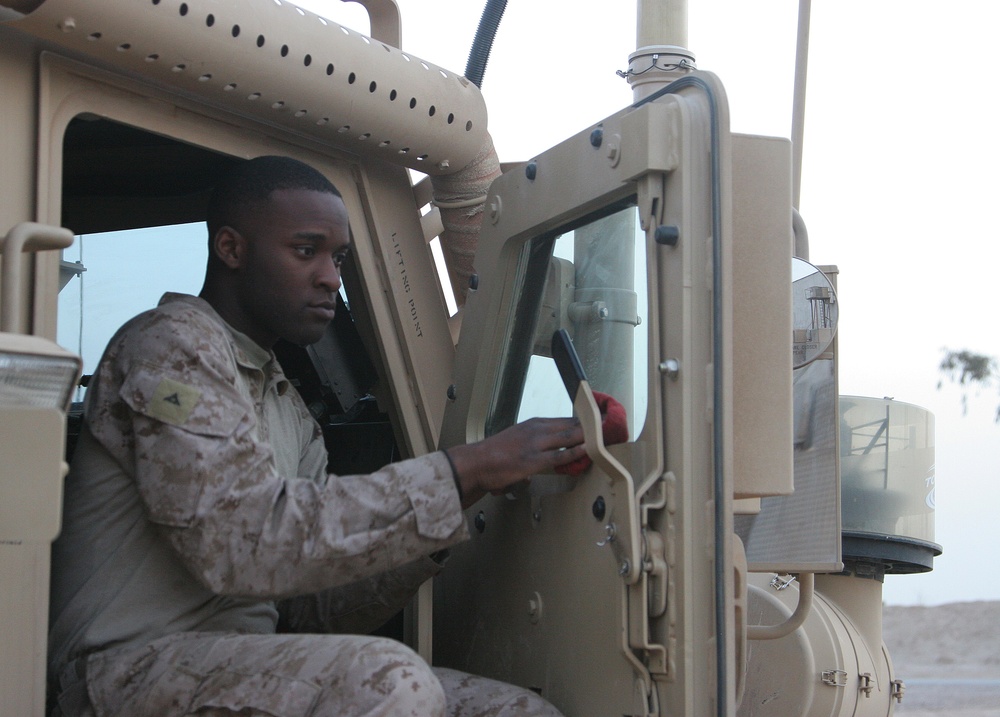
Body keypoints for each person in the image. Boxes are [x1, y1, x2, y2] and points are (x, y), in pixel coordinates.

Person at [48, 155, 589, 716]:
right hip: (118, 675)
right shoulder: (170, 347)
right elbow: (239, 541)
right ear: (231, 249)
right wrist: (464, 470)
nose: (330, 276)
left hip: (234, 668)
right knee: (392, 682)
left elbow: (312, 608)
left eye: (339, 257)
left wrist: (461, 499)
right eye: (306, 251)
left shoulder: (286, 406)